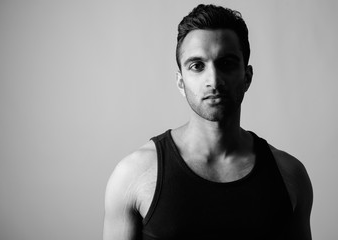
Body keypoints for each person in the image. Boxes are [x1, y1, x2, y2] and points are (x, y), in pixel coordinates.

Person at [103, 4, 313, 240]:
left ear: (247, 77)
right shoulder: (133, 174)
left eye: (226, 63)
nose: (213, 79)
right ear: (181, 82)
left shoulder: (290, 175)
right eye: (197, 66)